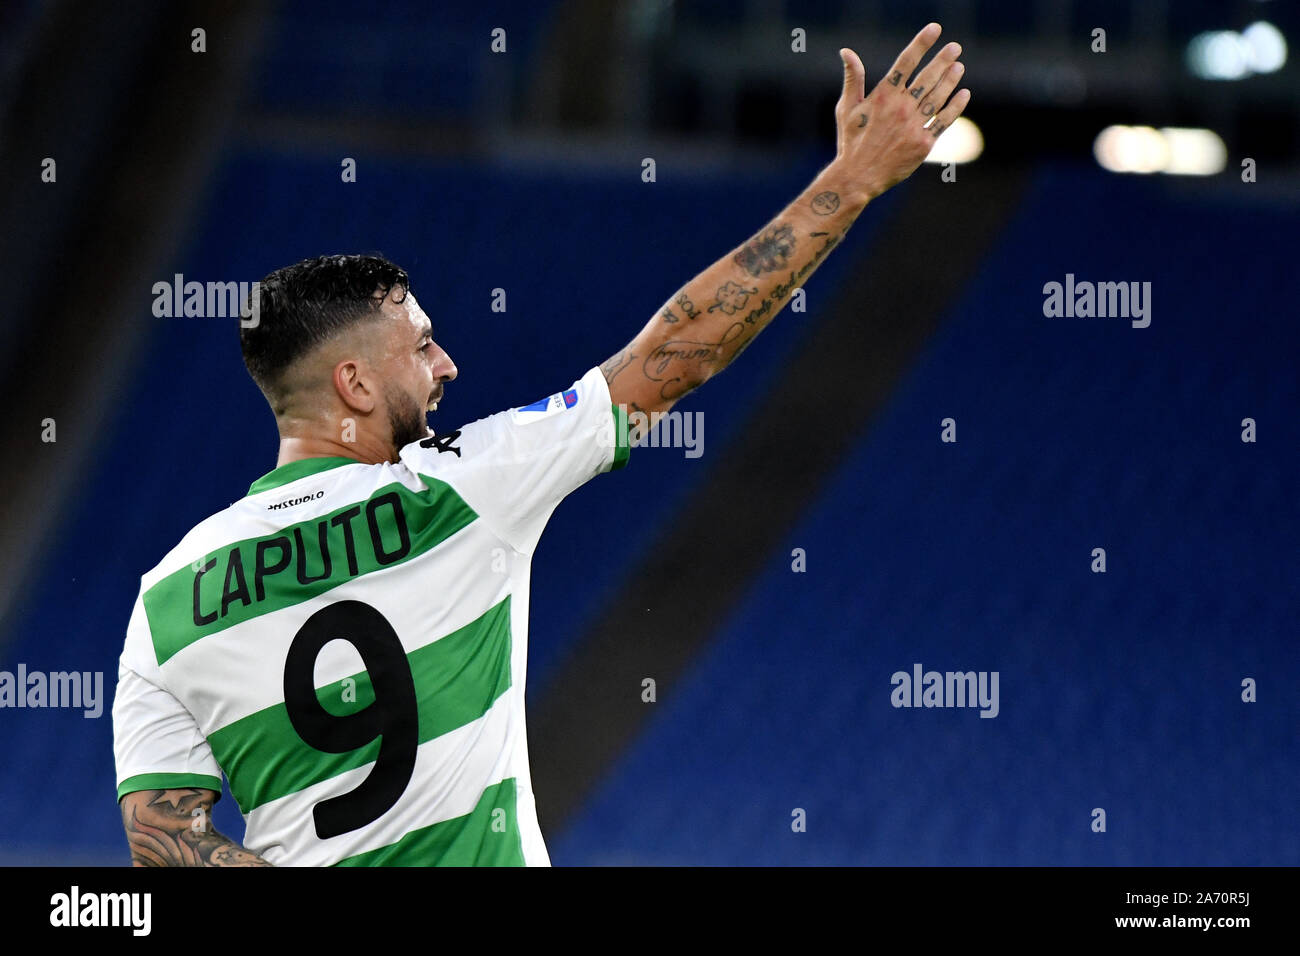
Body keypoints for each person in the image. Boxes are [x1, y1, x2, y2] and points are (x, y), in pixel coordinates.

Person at [112, 23, 968, 866]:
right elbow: (677, 354)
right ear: (355, 386)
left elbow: (163, 841)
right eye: (421, 346)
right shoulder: (460, 489)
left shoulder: (167, 601)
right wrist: (851, 180)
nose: (448, 365)